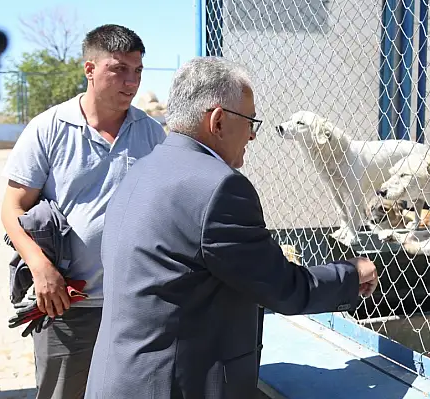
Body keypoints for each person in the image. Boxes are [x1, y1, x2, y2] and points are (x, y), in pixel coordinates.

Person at [83, 56, 379, 399]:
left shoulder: (141, 170)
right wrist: (352, 272)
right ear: (219, 121)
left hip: (119, 378)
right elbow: (282, 287)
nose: (253, 135)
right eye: (250, 121)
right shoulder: (220, 187)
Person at [0, 24, 167, 399]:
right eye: (119, 69)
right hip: (66, 303)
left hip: (133, 304)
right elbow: (12, 209)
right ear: (89, 69)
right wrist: (41, 269)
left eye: (138, 71)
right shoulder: (48, 129)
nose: (131, 81)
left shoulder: (152, 135)